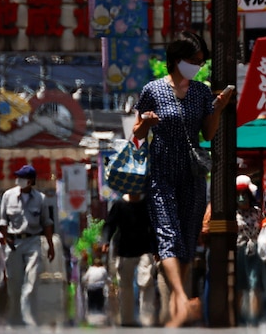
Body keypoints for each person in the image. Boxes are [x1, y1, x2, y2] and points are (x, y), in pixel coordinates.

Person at [132, 32, 233, 327]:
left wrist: (219, 109)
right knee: (167, 235)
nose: (198, 66)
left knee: (188, 238)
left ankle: (178, 309)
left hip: (192, 173)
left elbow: (209, 134)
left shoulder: (201, 92)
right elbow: (136, 137)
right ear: (177, 59)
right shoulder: (152, 90)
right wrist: (146, 124)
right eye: (194, 60)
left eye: (201, 61)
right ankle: (182, 297)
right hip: (161, 171)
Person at [0, 164, 55, 326]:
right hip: (13, 243)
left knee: (31, 281)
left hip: (33, 241)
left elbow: (47, 223)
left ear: (30, 181)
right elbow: (3, 221)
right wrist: (5, 239)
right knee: (14, 285)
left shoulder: (41, 198)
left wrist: (50, 246)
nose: (19, 180)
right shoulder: (7, 196)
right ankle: (16, 318)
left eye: (22, 178)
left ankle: (28, 320)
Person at [100, 192, 157, 327]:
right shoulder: (119, 204)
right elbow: (110, 224)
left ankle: (147, 318)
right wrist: (106, 241)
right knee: (125, 285)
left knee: (146, 282)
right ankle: (127, 319)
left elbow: (153, 227)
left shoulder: (147, 203)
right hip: (125, 251)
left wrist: (156, 249)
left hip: (145, 249)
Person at [235, 175, 266, 325]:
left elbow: (263, 226)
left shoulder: (257, 211)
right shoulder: (233, 213)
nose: (242, 198)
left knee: (255, 283)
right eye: (238, 195)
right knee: (241, 284)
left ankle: (255, 317)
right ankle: (240, 316)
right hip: (239, 250)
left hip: (255, 250)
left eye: (244, 195)